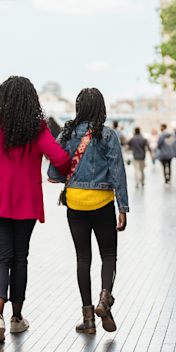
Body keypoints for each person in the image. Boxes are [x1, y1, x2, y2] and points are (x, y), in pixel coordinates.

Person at [0, 76, 73, 343]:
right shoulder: (35, 127)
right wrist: (59, 171)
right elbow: (59, 157)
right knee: (20, 258)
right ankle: (16, 317)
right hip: (25, 200)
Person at [47, 88, 128, 335]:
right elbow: (118, 173)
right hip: (103, 203)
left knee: (83, 259)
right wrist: (122, 207)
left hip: (75, 205)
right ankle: (105, 299)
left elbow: (53, 173)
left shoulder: (66, 135)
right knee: (109, 254)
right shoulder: (108, 135)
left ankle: (89, 319)